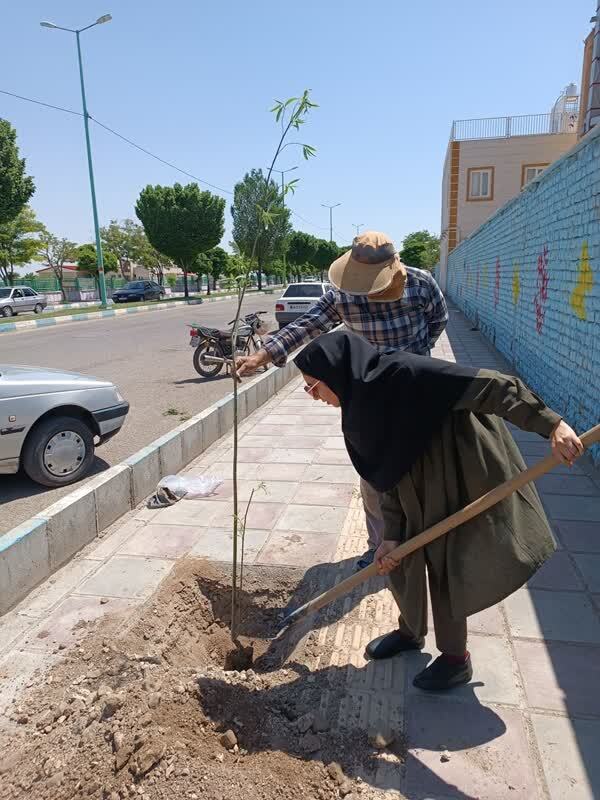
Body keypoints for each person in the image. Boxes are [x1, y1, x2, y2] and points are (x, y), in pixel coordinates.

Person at [294, 331, 583, 691]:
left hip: (452, 474)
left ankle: (454, 659)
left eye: (313, 386)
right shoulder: (358, 405)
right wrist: (392, 533)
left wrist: (552, 425)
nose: (313, 397)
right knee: (400, 558)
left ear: (335, 373)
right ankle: (410, 632)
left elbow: (495, 386)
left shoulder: (408, 373)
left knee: (447, 564)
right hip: (407, 485)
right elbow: (385, 471)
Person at [237, 231, 449, 570]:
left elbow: (439, 320)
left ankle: (422, 543)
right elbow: (306, 325)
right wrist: (262, 355)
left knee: (420, 470)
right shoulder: (344, 295)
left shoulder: (421, 284)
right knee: (373, 476)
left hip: (414, 388)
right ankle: (378, 547)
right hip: (367, 394)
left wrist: (415, 358)